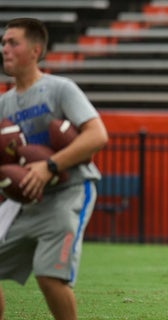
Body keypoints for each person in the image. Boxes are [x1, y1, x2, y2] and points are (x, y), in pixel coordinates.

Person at [0, 17, 108, 320]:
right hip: (26, 200)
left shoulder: (60, 88)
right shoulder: (5, 103)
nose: (4, 48)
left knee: (49, 276)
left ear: (36, 50)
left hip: (68, 192)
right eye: (3, 42)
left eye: (13, 42)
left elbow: (97, 134)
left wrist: (50, 165)